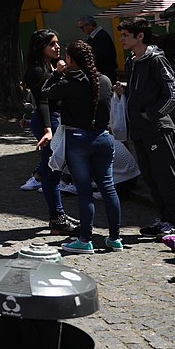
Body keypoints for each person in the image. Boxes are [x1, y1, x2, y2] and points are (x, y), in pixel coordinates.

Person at [39, 40, 122, 254]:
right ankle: (115, 237)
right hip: (103, 137)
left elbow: (46, 92)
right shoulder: (104, 80)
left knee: (84, 191)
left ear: (70, 59)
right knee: (108, 187)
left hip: (78, 139)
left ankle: (85, 239)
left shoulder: (69, 81)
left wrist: (57, 73)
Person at [117, 17, 175, 237]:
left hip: (156, 128)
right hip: (139, 130)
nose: (122, 39)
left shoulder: (156, 60)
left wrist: (151, 114)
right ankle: (163, 218)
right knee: (151, 177)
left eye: (126, 35)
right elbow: (141, 91)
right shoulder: (132, 61)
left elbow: (174, 93)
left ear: (140, 36)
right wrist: (124, 91)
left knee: (165, 175)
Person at [21, 29, 74, 235]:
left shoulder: (51, 67)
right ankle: (57, 217)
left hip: (55, 119)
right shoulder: (37, 70)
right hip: (48, 121)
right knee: (52, 170)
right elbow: (43, 100)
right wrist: (48, 128)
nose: (57, 47)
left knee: (53, 167)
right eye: (52, 44)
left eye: (57, 43)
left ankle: (57, 214)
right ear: (40, 47)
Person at [77, 15, 119, 81]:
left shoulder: (100, 37)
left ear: (89, 25)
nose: (82, 30)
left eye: (82, 27)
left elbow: (101, 57)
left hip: (106, 73)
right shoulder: (96, 36)